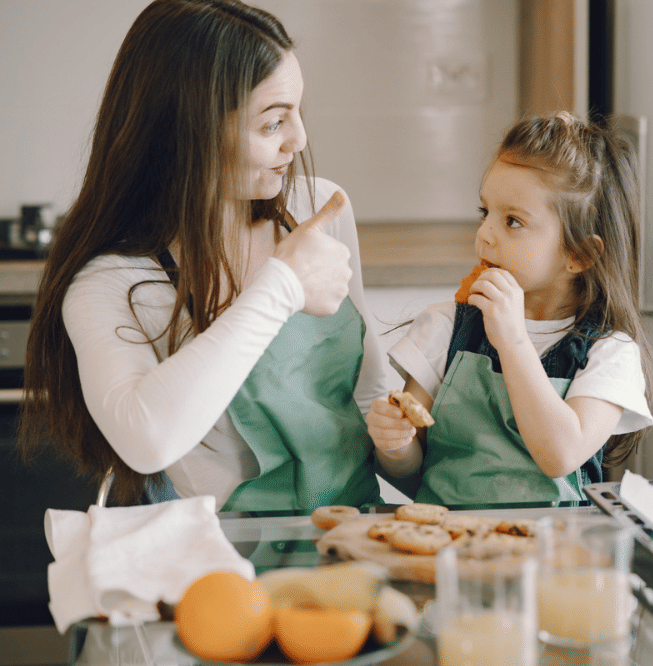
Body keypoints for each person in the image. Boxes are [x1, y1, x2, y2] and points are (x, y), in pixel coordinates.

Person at [17, 0, 388, 511]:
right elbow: (147, 440)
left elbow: (369, 394)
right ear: (186, 132)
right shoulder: (112, 282)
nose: (299, 140)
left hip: (355, 537)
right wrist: (282, 286)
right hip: (226, 565)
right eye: (272, 123)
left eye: (298, 113)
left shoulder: (316, 209)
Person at [366, 112, 653, 504]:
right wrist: (395, 446)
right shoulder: (443, 327)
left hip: (554, 555)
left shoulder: (610, 354)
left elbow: (560, 455)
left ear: (579, 254)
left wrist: (514, 341)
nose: (484, 234)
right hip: (450, 549)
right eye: (485, 213)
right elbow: (413, 473)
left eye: (513, 222)